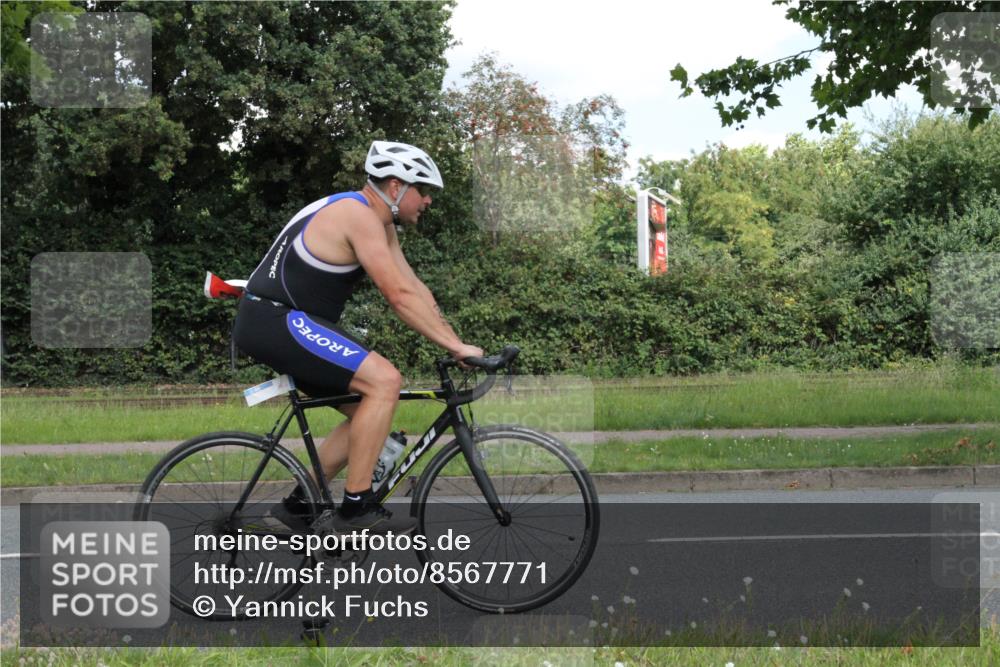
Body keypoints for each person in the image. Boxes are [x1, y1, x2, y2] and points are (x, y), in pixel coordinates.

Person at [232, 140, 483, 535]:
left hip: (291, 321)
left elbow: (413, 288)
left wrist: (459, 343)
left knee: (369, 413)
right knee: (385, 381)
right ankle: (355, 506)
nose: (429, 200)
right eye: (425, 189)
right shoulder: (357, 214)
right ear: (397, 187)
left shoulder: (381, 224)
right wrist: (454, 346)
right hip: (275, 319)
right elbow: (397, 297)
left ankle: (297, 507)